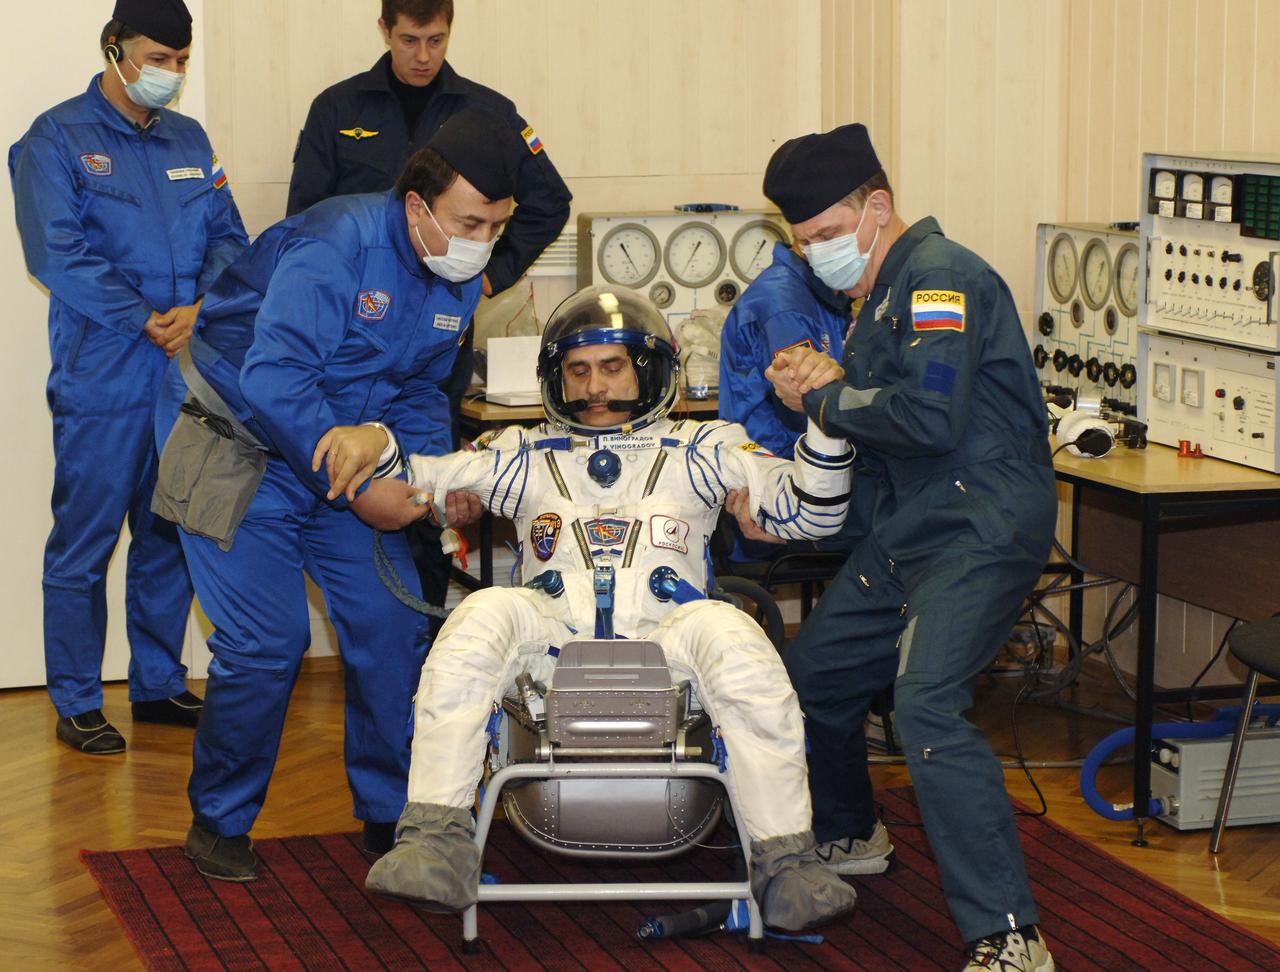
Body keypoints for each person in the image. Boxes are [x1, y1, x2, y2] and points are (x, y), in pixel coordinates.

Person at [360, 286, 859, 932]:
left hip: (672, 642)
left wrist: (824, 418)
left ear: (649, 370)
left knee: (735, 636)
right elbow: (423, 479)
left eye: (612, 367)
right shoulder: (521, 451)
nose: (594, 387)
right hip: (550, 647)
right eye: (578, 370)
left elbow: (813, 511)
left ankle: (787, 863)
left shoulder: (704, 446)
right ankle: (435, 840)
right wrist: (375, 446)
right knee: (478, 616)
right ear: (556, 379)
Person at [152, 108, 522, 882]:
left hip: (340, 462)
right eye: (469, 223)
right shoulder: (338, 244)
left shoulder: (454, 278)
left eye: (495, 226)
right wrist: (361, 493)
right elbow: (275, 378)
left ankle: (391, 811)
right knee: (266, 643)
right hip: (235, 448)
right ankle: (219, 820)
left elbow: (418, 390)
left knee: (390, 626)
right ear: (418, 206)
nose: (481, 242)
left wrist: (424, 477)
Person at [761, 124, 1057, 971]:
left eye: (826, 234)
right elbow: (885, 434)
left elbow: (928, 418)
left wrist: (823, 400)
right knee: (814, 676)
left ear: (878, 208)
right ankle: (852, 833)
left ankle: (1011, 937)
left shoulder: (940, 280)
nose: (817, 254)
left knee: (925, 705)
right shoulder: (883, 297)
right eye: (804, 242)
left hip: (981, 523)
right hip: (917, 525)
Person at [8, 0, 248, 755]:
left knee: (168, 532)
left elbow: (229, 236)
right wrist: (145, 316)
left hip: (184, 372)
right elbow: (56, 252)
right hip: (104, 375)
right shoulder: (54, 138)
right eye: (157, 58)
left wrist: (201, 307)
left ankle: (156, 682)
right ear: (113, 49)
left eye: (181, 61)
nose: (169, 73)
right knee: (84, 540)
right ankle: (78, 698)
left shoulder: (190, 138)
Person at [286, 0, 572, 633]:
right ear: (385, 31)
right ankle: (382, 625)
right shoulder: (338, 108)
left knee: (427, 483)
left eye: (436, 40)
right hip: (348, 343)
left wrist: (486, 274)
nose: (423, 55)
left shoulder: (489, 111)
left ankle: (427, 636)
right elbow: (303, 217)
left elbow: (550, 200)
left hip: (432, 340)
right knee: (343, 477)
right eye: (410, 40)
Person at [719, 241, 850, 460]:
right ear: (804, 238)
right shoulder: (786, 305)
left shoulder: (820, 291)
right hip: (779, 460)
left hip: (788, 453)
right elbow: (808, 400)